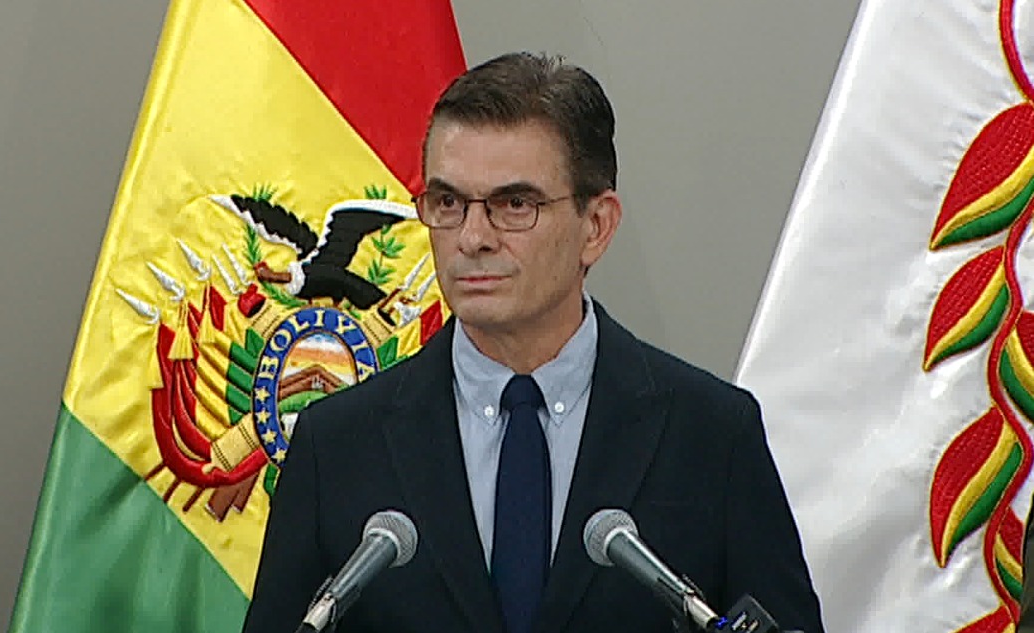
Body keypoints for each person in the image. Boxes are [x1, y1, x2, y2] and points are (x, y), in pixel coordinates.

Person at [242, 51, 824, 633]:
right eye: (448, 203)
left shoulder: (711, 436)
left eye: (514, 205)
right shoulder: (338, 446)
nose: (472, 238)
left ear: (595, 227)